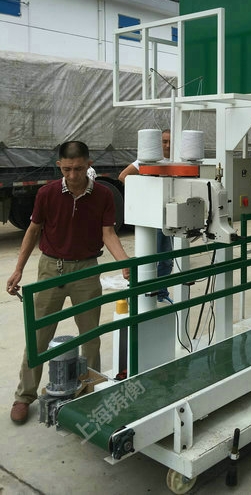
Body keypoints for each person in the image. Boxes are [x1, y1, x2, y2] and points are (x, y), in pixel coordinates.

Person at [6, 141, 130, 425]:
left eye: (79, 169)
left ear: (89, 165)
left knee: (91, 337)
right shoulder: (47, 193)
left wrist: (124, 262)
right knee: (38, 336)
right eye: (67, 169)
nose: (73, 175)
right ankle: (24, 396)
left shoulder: (102, 195)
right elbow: (33, 231)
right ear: (59, 166)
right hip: (51, 268)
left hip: (86, 269)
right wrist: (18, 269)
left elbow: (108, 233)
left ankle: (90, 393)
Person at [118, 128, 174, 302]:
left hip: (170, 217)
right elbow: (123, 176)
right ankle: (136, 295)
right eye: (164, 141)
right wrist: (143, 196)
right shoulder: (146, 160)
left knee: (167, 260)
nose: (167, 145)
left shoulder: (177, 160)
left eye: (171, 141)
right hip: (153, 217)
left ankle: (161, 294)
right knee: (148, 259)